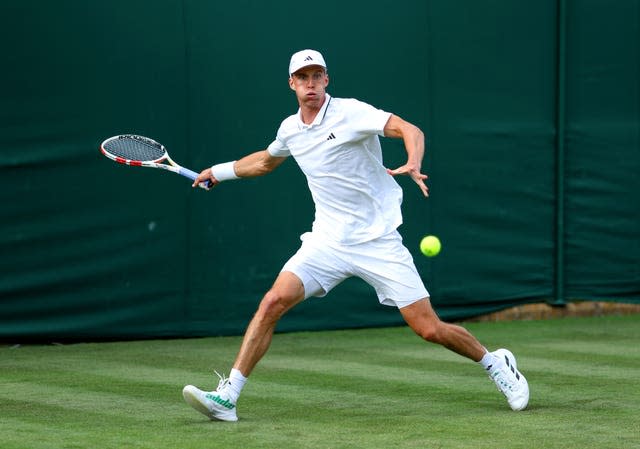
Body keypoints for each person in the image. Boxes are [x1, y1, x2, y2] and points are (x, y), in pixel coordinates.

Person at [182, 49, 529, 422]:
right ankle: (229, 396)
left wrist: (413, 159)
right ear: (292, 84)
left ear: (326, 79)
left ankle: (496, 364)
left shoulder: (351, 112)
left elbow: (410, 129)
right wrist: (218, 171)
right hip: (327, 242)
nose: (311, 84)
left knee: (428, 329)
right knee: (272, 302)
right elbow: (266, 161)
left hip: (377, 240)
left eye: (317, 76)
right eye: (303, 78)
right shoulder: (290, 129)